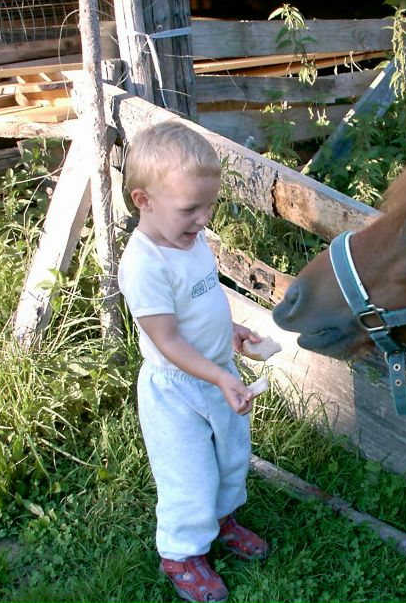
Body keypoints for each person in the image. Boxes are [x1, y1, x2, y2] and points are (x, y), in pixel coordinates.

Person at [118, 120, 269, 603]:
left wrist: (232, 332)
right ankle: (182, 553)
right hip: (176, 389)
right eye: (190, 209)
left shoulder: (189, 238)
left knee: (230, 457)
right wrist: (221, 374)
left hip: (217, 373)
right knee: (189, 473)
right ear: (144, 200)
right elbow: (168, 341)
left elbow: (203, 303)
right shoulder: (144, 264)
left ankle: (221, 519)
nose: (203, 219)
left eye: (209, 205)